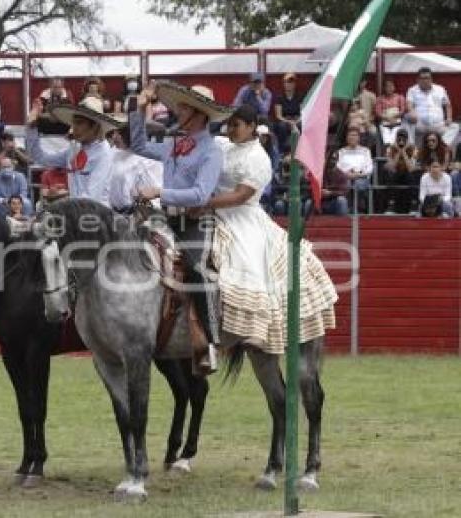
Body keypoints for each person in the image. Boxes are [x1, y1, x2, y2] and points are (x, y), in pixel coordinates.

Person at [197, 103, 337, 356]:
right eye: (229, 124)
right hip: (210, 211)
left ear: (252, 127)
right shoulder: (221, 144)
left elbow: (241, 195)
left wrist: (203, 202)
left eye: (236, 125)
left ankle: (252, 328)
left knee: (247, 263)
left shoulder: (258, 157)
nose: (230, 129)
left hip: (242, 217)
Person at [133, 81, 234, 372]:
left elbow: (202, 195)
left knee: (196, 268)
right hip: (166, 217)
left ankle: (211, 343)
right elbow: (138, 144)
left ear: (200, 114)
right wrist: (140, 109)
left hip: (194, 222)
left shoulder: (211, 151)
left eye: (185, 107)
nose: (179, 110)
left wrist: (159, 192)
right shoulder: (173, 143)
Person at [25, 97, 121, 206]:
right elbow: (40, 158)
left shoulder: (104, 154)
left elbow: (92, 197)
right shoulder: (74, 148)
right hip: (77, 214)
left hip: (95, 217)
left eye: (79, 123)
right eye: (73, 123)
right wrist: (31, 127)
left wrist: (63, 198)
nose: (74, 128)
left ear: (94, 126)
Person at [108, 126, 163, 214]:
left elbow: (152, 197)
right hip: (110, 210)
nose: (114, 137)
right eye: (115, 132)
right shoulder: (113, 152)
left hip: (132, 214)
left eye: (119, 134)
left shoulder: (148, 160)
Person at [406, 67, 454, 146]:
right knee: (406, 120)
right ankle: (413, 150)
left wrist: (449, 118)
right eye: (422, 78)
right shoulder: (412, 90)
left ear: (431, 79)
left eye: (427, 78)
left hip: (438, 125)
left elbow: (448, 105)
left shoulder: (440, 89)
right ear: (418, 80)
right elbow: (409, 104)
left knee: (455, 127)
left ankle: (443, 144)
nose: (425, 80)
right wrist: (412, 112)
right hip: (420, 125)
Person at [336, 126, 374, 213]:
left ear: (359, 138)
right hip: (345, 177)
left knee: (358, 184)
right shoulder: (341, 152)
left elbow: (370, 167)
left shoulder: (365, 151)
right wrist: (346, 174)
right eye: (350, 135)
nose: (352, 137)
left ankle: (357, 209)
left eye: (355, 135)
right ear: (347, 138)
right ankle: (347, 209)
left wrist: (359, 174)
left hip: (362, 177)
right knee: (346, 185)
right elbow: (338, 166)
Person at [382, 129, 417, 215]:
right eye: (399, 138)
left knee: (411, 176)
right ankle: (391, 204)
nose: (401, 141)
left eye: (404, 139)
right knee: (391, 175)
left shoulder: (413, 149)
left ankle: (413, 205)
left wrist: (404, 151)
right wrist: (398, 151)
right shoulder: (390, 148)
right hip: (396, 172)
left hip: (407, 172)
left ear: (407, 139)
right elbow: (392, 167)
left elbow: (410, 168)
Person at [272, 73, 301, 153]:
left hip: (296, 119)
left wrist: (296, 121)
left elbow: (303, 112)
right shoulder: (279, 97)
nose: (289, 84)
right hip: (284, 120)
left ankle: (300, 150)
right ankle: (282, 150)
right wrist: (289, 122)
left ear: (295, 84)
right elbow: (278, 116)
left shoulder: (299, 96)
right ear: (284, 84)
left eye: (291, 82)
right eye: (287, 82)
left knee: (302, 124)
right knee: (281, 126)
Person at [375, 78, 406, 147]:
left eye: (391, 86)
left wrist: (394, 117)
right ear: (384, 88)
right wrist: (388, 118)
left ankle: (392, 152)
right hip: (384, 122)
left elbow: (403, 110)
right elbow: (378, 112)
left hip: (397, 122)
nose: (389, 88)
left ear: (394, 87)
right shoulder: (380, 99)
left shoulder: (400, 97)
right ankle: (388, 152)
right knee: (386, 138)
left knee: (394, 136)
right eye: (387, 86)